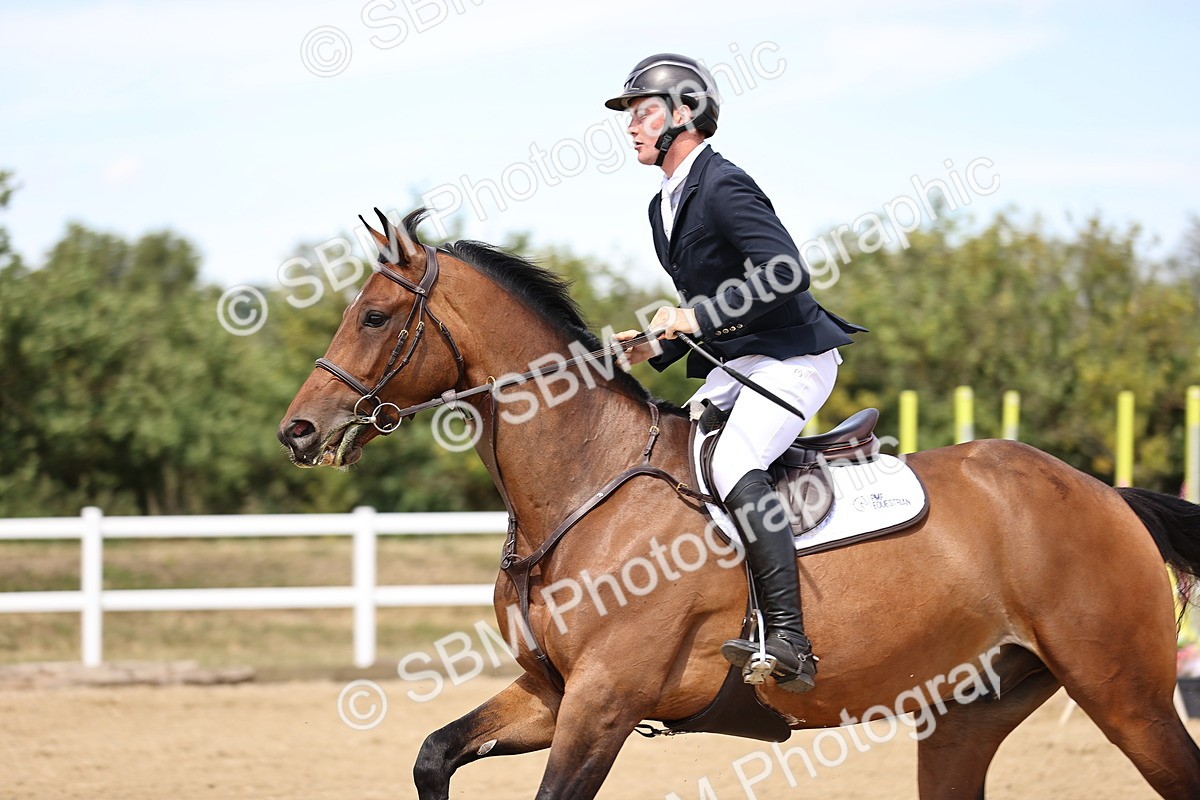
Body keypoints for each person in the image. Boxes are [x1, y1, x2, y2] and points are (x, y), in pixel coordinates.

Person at [608, 53, 866, 693]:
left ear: (684, 114)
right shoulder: (662, 207)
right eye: (629, 115)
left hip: (793, 357)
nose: (631, 126)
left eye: (643, 112)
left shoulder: (722, 184)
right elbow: (712, 308)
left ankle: (790, 639)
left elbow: (786, 272)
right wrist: (651, 347)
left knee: (732, 461)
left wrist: (694, 316)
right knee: (675, 454)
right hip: (742, 360)